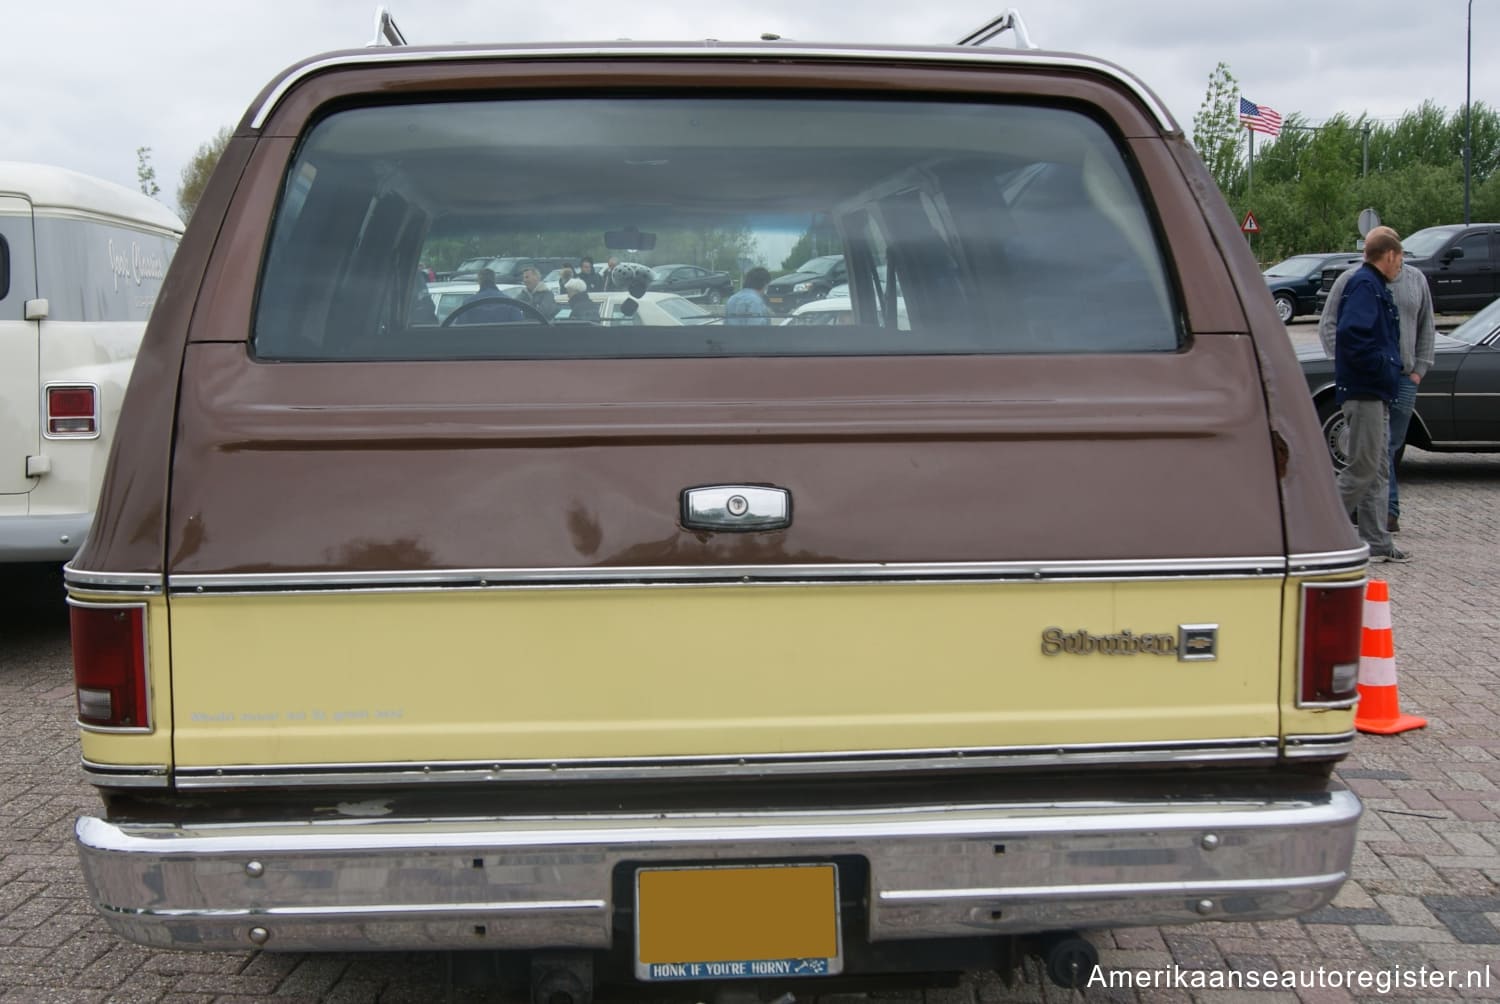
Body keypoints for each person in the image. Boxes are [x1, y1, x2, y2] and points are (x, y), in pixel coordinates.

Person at [1319, 257, 1435, 534]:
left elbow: (1426, 324)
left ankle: (1383, 522)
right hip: (1369, 381)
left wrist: (1419, 368)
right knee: (1368, 457)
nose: (1398, 263)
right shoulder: (1356, 281)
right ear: (1386, 255)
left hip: (1404, 377)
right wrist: (1350, 366)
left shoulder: (1415, 279)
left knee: (1387, 451)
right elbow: (1332, 326)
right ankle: (1330, 523)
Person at [1328, 226, 1408, 562]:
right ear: (1389, 255)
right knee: (1362, 468)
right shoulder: (1365, 285)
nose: (1401, 266)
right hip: (1365, 393)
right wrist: (1383, 366)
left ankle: (1377, 542)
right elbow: (1352, 334)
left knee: (1377, 469)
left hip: (1375, 391)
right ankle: (1317, 527)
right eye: (1400, 259)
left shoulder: (1373, 286)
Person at [454, 268, 523, 324]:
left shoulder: (468, 303)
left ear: (479, 281)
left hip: (476, 340)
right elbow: (519, 327)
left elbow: (460, 328)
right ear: (494, 280)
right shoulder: (510, 303)